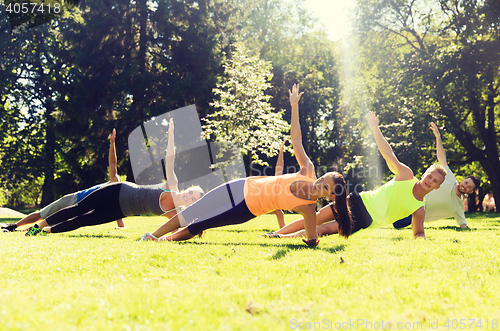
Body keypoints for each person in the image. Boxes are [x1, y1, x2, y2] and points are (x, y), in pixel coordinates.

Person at [140, 84, 352, 246]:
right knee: (196, 208)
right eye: (322, 180)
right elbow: (296, 140)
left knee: (200, 223)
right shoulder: (307, 171)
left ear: (330, 197)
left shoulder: (308, 210)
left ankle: (163, 242)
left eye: (324, 187)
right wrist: (294, 106)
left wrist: (313, 241)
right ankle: (152, 236)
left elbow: (311, 236)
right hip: (241, 186)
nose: (318, 185)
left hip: (245, 208)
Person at [265, 111, 448, 239]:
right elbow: (388, 154)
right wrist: (375, 128)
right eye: (429, 176)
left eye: (434, 181)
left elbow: (418, 233)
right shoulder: (406, 175)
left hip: (366, 219)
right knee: (318, 216)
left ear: (437, 186)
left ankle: (281, 238)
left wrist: (422, 241)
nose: (429, 181)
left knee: (327, 229)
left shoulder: (419, 209)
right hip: (359, 200)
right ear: (425, 174)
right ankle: (276, 234)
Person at [24, 118, 204, 236]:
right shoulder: (172, 186)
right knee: (78, 209)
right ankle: (37, 226)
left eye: (193, 199)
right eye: (191, 193)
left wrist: (201, 223)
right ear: (187, 190)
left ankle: (48, 231)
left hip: (120, 211)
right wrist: (171, 135)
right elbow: (170, 159)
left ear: (192, 204)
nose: (189, 197)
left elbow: (182, 230)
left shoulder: (173, 214)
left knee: (85, 220)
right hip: (118, 191)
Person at [1, 129, 125, 232]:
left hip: (81, 209)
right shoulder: (116, 182)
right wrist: (112, 143)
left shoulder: (117, 202)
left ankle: (25, 231)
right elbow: (113, 164)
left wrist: (121, 228)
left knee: (51, 222)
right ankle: (14, 226)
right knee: (44, 213)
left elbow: (119, 221)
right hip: (75, 199)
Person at [392, 122, 480, 229]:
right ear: (462, 180)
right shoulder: (450, 178)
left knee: (396, 224)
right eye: (466, 183)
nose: (465, 186)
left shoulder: (459, 207)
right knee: (391, 202)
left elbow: (462, 223)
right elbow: (442, 158)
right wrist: (438, 136)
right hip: (414, 196)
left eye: (469, 187)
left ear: (470, 191)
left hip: (417, 214)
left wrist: (467, 229)